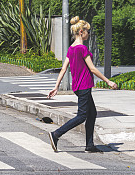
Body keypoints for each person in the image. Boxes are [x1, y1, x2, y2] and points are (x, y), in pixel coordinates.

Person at [48, 16, 118, 153]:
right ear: (81, 32)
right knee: (82, 116)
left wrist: (56, 86)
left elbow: (63, 69)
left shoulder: (71, 49)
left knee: (92, 114)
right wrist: (108, 81)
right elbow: (92, 68)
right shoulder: (82, 49)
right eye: (87, 31)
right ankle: (56, 134)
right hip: (84, 86)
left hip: (77, 87)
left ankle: (89, 145)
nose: (88, 34)